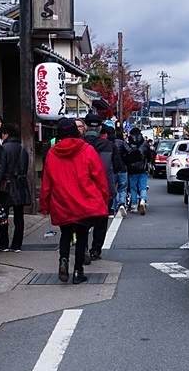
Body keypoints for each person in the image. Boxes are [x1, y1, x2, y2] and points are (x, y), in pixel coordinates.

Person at [40, 118, 108, 284]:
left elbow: (46, 183)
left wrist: (45, 204)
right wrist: (104, 197)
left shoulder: (52, 153)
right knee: (82, 236)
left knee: (65, 234)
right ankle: (78, 271)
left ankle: (63, 261)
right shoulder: (87, 150)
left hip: (61, 201)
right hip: (84, 201)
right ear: (76, 132)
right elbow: (99, 177)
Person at [83, 114, 117, 261]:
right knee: (101, 221)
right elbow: (117, 167)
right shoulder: (109, 146)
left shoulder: (79, 144)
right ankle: (95, 250)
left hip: (82, 189)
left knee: (82, 220)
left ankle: (82, 248)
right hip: (103, 189)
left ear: (85, 127)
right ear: (100, 128)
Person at [0, 123, 31, 252]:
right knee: (19, 216)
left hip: (6, 186)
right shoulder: (23, 149)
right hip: (20, 185)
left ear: (6, 134)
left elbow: (0, 170)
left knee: (2, 214)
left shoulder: (3, 148)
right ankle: (17, 244)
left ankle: (4, 243)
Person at [126, 127, 151, 215]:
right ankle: (143, 200)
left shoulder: (128, 144)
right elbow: (149, 156)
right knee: (143, 187)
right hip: (142, 168)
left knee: (133, 188)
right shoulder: (145, 144)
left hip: (132, 169)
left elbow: (126, 156)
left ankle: (134, 205)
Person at [108, 123, 129, 218]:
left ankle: (112, 208)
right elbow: (130, 151)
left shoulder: (109, 143)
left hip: (113, 168)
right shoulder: (122, 143)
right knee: (122, 188)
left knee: (112, 188)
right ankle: (121, 203)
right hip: (123, 167)